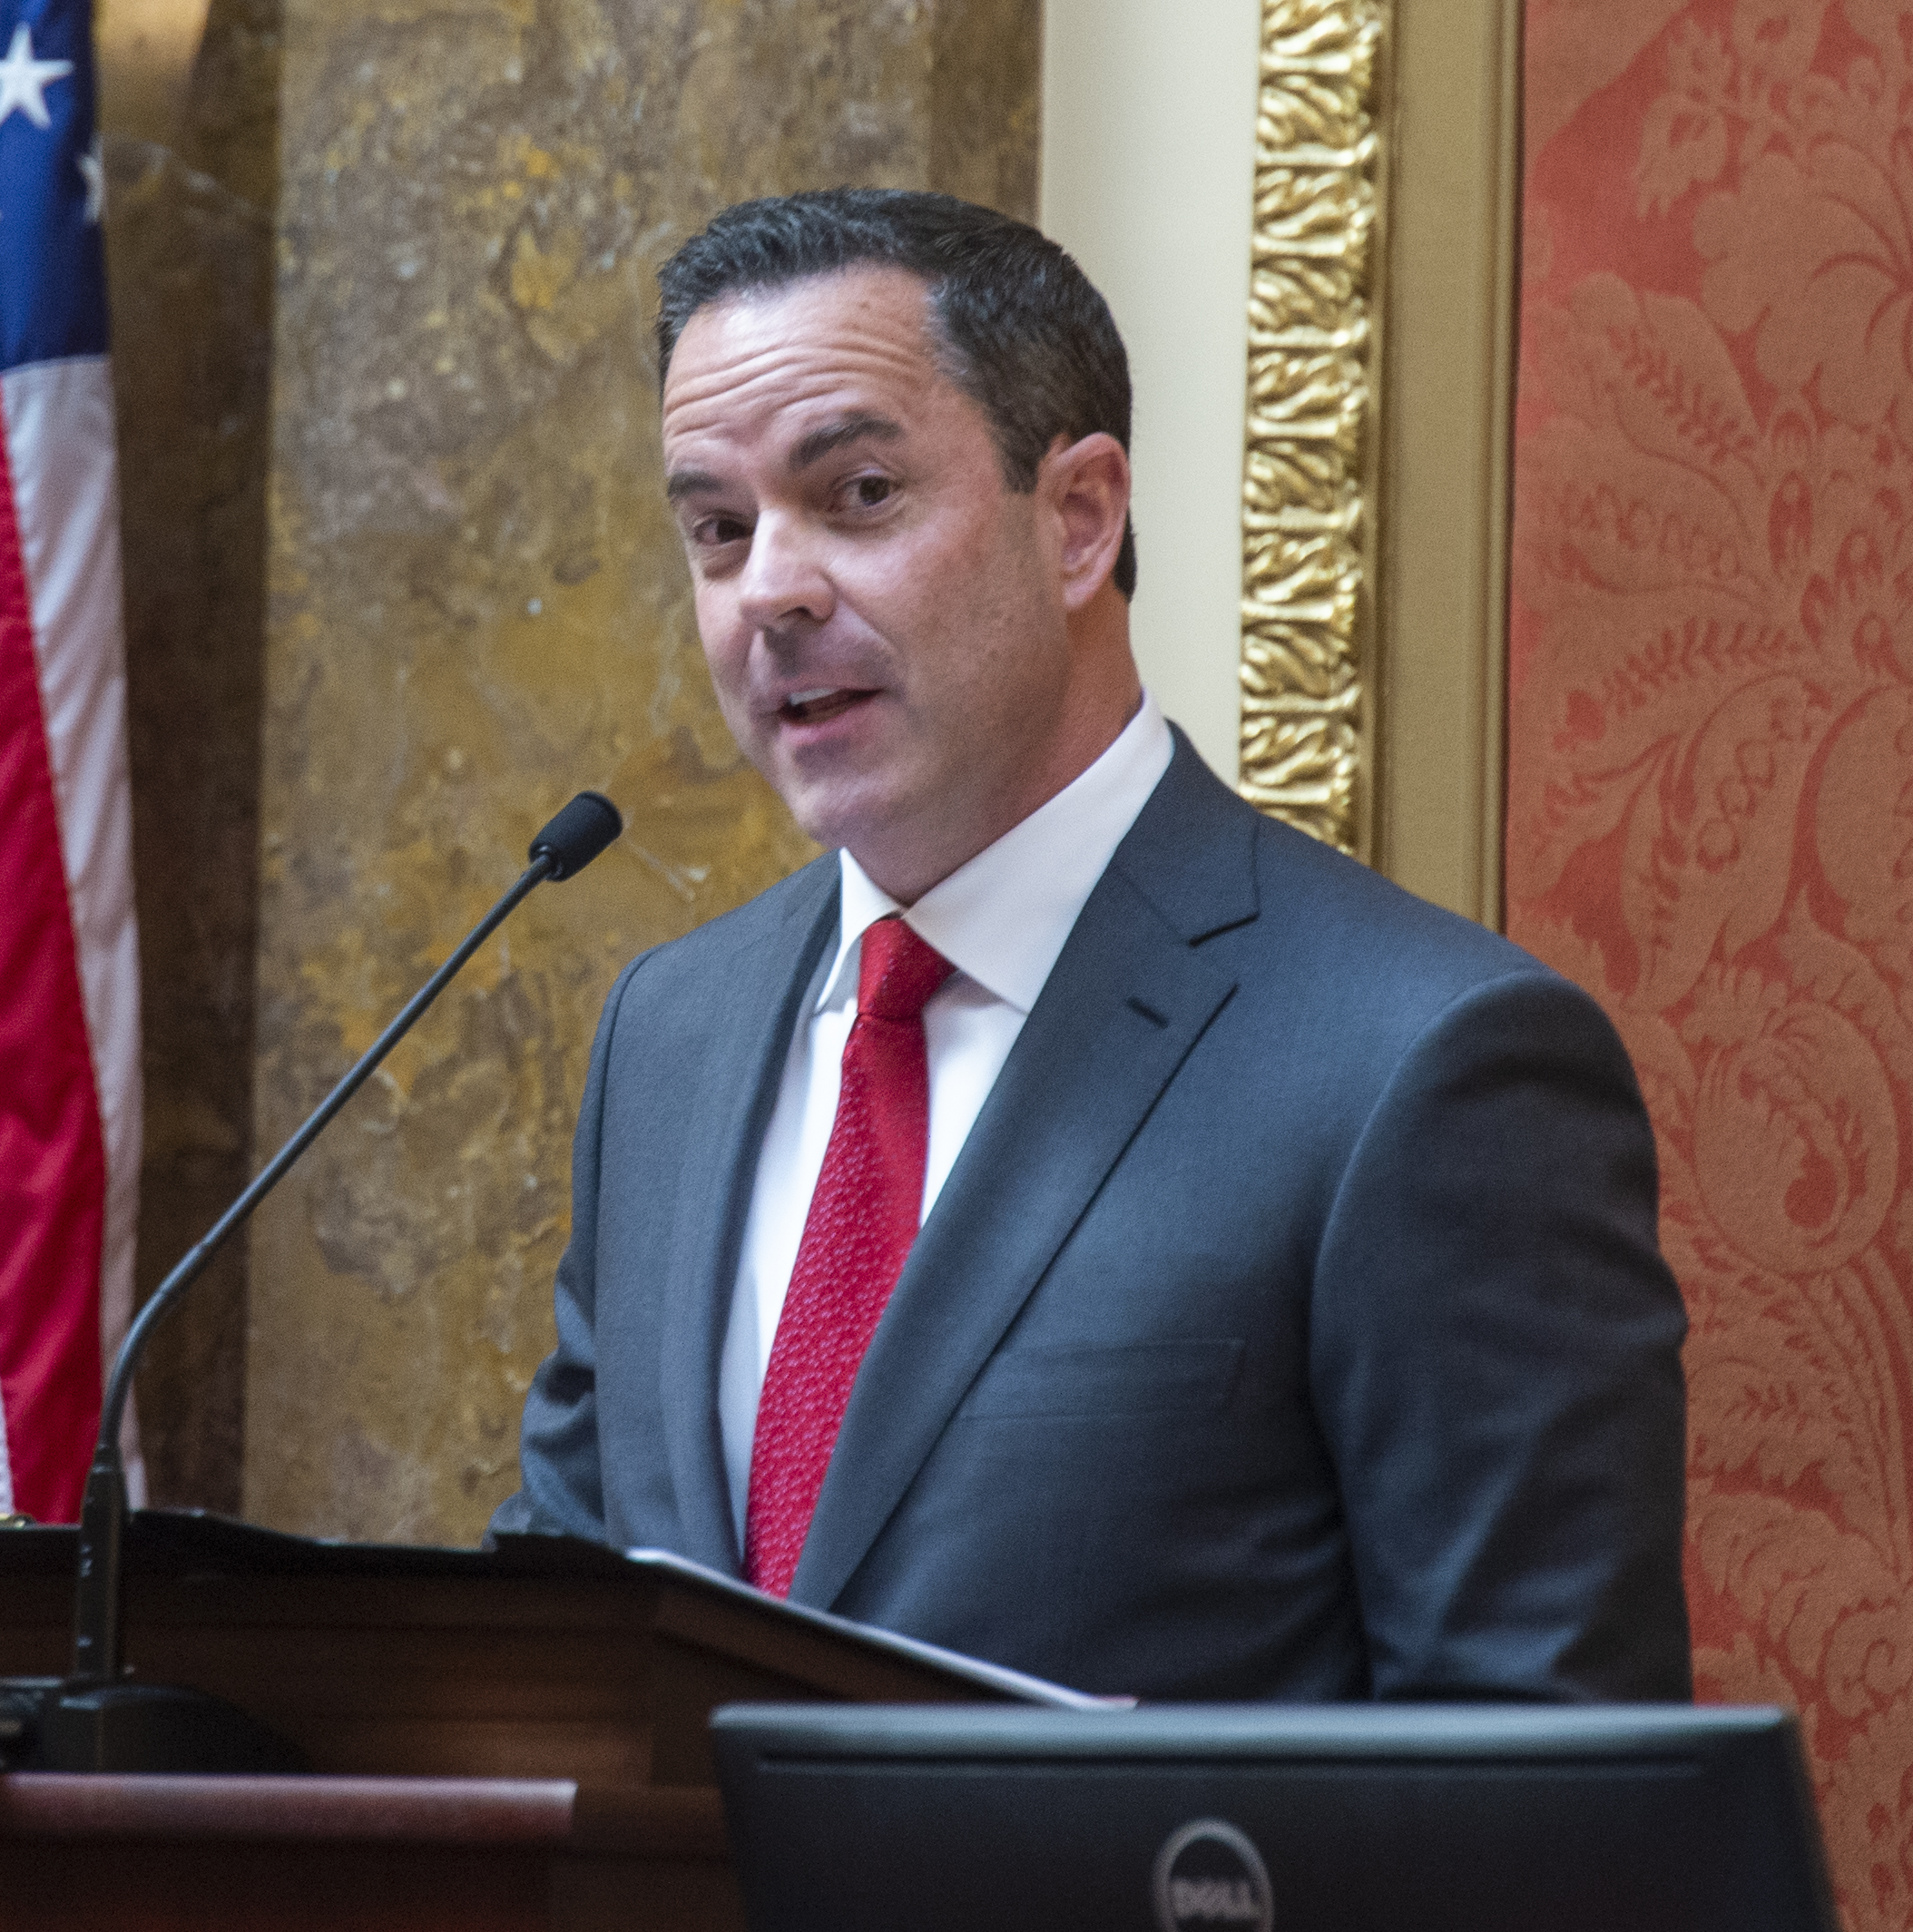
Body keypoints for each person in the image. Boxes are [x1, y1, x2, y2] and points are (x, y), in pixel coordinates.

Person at [491, 189, 1692, 1702]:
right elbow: (553, 1651)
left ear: (1078, 520)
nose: (770, 594)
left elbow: (1542, 1793)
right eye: (718, 531)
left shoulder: (1424, 1062)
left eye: (857, 494)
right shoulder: (667, 1034)